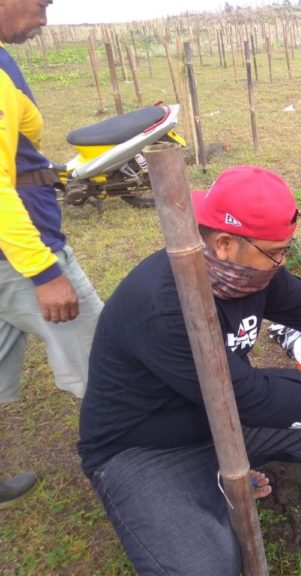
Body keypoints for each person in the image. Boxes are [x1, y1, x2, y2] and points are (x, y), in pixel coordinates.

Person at [78, 165, 301, 576]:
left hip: (223, 418)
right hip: (147, 446)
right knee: (206, 567)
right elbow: (248, 397)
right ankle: (202, 485)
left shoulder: (247, 274)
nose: (282, 262)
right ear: (223, 243)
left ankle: (220, 476)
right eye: (277, 252)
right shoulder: (162, 305)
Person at [0, 0, 103, 504]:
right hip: (17, 256)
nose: (44, 18)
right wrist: (44, 272)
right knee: (105, 359)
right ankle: (125, 464)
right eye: (41, 3)